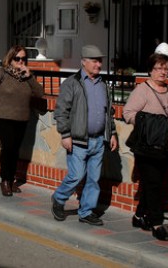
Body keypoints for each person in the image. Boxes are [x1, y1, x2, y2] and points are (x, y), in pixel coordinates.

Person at [51, 45, 118, 226]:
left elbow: (107, 113)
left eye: (100, 61)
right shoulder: (72, 83)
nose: (98, 64)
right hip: (78, 140)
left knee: (94, 179)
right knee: (76, 176)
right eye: (95, 61)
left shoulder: (103, 85)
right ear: (84, 62)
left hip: (98, 140)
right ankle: (58, 198)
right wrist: (65, 134)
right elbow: (61, 111)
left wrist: (111, 133)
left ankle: (86, 212)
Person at [123, 50, 168, 241]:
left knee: (152, 184)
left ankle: (138, 216)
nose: (162, 72)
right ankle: (157, 224)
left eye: (165, 69)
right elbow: (128, 113)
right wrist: (147, 122)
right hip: (147, 146)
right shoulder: (142, 90)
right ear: (150, 70)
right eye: (158, 68)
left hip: (165, 147)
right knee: (153, 184)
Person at [0, 45, 44, 196]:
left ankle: (11, 178)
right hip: (2, 117)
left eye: (23, 59)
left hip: (21, 118)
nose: (20, 62)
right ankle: (5, 181)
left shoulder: (26, 77)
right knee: (8, 148)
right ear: (10, 58)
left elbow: (40, 93)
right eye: (17, 58)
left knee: (15, 150)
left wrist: (29, 76)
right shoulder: (2, 73)